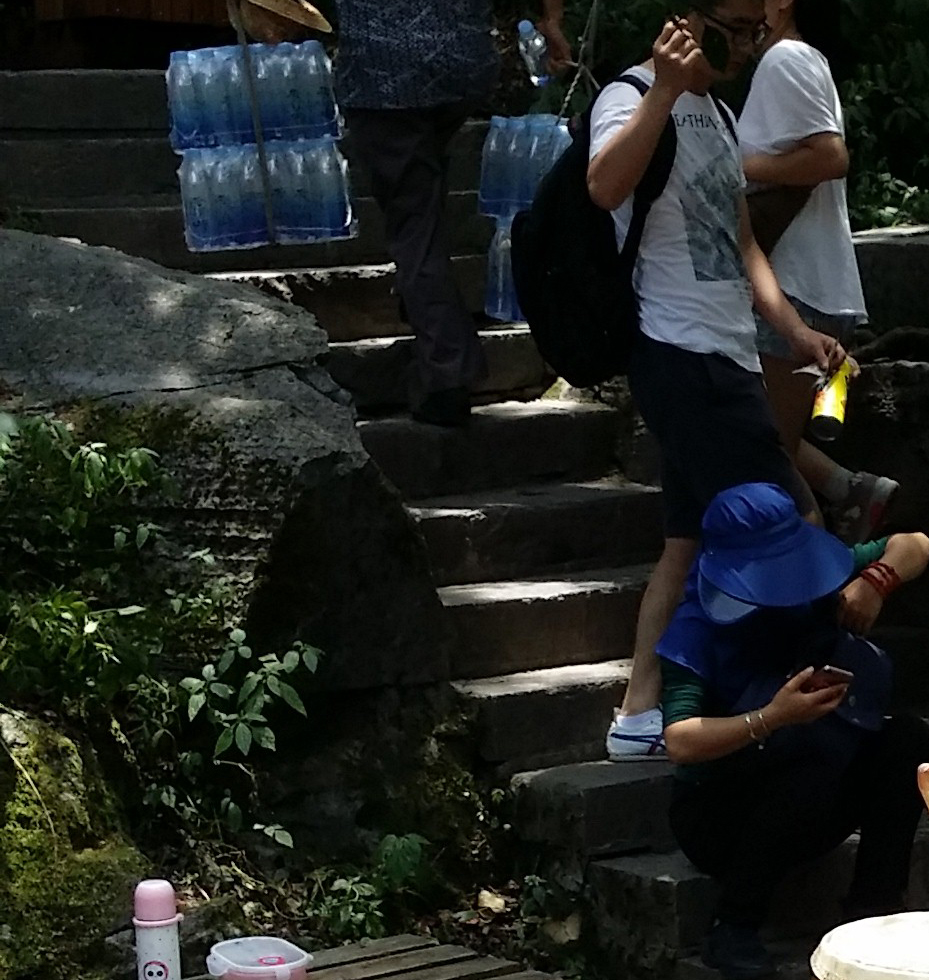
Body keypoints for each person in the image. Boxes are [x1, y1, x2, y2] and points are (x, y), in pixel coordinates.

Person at [590, 8, 848, 761]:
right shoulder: (630, 96)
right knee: (800, 526)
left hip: (729, 347)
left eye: (750, 27)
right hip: (677, 351)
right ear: (684, 23)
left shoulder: (722, 114)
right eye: (730, 27)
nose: (746, 42)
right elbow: (605, 186)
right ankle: (802, 693)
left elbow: (741, 241)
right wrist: (662, 93)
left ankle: (638, 711)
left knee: (685, 539)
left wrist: (794, 331)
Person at [659, 482, 929, 980]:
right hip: (723, 813)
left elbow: (917, 543)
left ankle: (873, 912)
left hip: (818, 776)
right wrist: (772, 716)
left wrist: (876, 580)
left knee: (908, 741)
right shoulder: (694, 628)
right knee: (809, 756)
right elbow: (680, 741)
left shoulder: (814, 573)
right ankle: (734, 924)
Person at [323, 0, 565, 427]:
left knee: (412, 218)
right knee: (420, 193)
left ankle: (447, 370)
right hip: (462, 61)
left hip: (385, 70)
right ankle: (423, 309)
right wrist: (553, 20)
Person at [737, 0, 899, 539]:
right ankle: (848, 492)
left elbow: (829, 157)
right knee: (761, 445)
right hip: (802, 289)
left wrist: (729, 165)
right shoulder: (786, 60)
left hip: (795, 291)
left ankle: (820, 554)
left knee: (761, 457)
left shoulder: (787, 59)